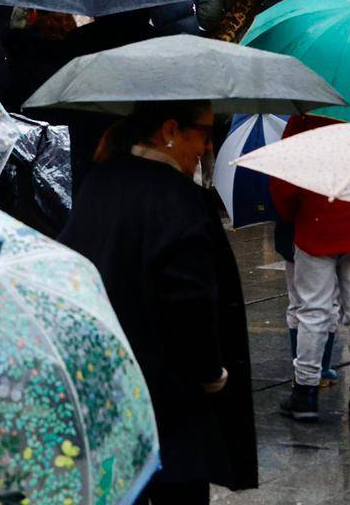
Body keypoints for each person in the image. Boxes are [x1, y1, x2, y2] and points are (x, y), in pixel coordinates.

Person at [62, 100, 257, 502]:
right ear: (170, 130)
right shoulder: (179, 197)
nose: (207, 147)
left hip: (110, 395)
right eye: (203, 133)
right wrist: (212, 374)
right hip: (171, 408)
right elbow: (191, 301)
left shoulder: (99, 181)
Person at [271, 113, 350, 422]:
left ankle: (305, 393)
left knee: (313, 311)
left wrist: (293, 214)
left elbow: (284, 183)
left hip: (315, 224)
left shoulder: (303, 120)